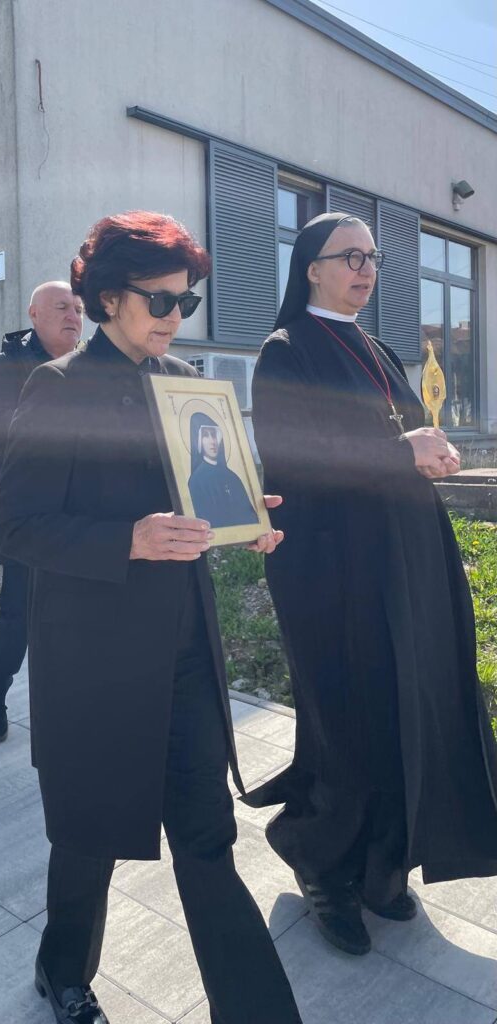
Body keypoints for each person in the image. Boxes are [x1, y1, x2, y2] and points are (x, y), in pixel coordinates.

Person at [0, 213, 301, 1024]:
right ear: (107, 298)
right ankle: (64, 971)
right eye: (159, 299)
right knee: (88, 834)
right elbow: (14, 527)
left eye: (184, 300)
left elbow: (202, 496)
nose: (174, 314)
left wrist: (241, 516)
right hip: (93, 654)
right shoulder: (56, 386)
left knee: (207, 836)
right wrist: (126, 539)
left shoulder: (187, 382)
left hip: (186, 645)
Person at [249, 212, 497, 957]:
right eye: (349, 257)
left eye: (372, 257)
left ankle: (384, 863)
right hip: (333, 568)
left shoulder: (380, 348)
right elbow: (294, 456)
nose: (366, 269)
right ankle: (321, 862)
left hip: (406, 559)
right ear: (311, 268)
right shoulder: (285, 350)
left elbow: (406, 435)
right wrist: (400, 450)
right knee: (349, 720)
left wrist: (432, 452)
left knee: (406, 710)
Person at [0, 281, 83, 740]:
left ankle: (62, 708)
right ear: (34, 314)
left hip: (82, 514)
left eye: (78, 309)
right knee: (18, 616)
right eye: (62, 307)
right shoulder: (9, 364)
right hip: (28, 513)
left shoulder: (92, 365)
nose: (74, 316)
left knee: (73, 617)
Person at [187, 412, 257, 527]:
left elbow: (250, 516)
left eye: (214, 435)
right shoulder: (196, 481)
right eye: (206, 435)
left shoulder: (232, 477)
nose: (212, 441)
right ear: (198, 441)